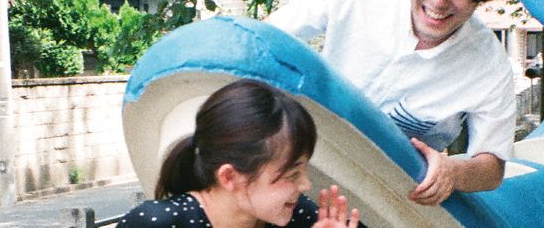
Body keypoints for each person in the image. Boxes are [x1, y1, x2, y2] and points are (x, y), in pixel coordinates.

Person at [264, 0, 521, 206]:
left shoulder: (490, 65)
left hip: (387, 197)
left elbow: (492, 167)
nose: (439, 1)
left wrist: (453, 172)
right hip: (298, 160)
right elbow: (263, 40)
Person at [116, 79, 361, 228]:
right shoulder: (157, 222)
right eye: (292, 174)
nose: (306, 185)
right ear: (229, 177)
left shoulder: (302, 216)